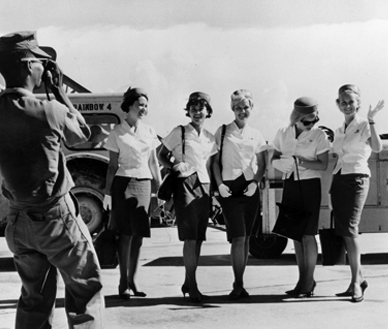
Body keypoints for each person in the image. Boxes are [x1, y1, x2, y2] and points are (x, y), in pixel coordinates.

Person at [0, 31, 121, 329]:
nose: (45, 67)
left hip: (18, 222)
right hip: (57, 220)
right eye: (40, 60)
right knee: (85, 291)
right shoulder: (51, 110)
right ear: (29, 66)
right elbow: (83, 134)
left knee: (34, 298)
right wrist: (59, 93)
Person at [157, 91, 217, 303]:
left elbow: (212, 165)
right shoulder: (179, 132)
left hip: (206, 187)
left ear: (208, 111)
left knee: (199, 238)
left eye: (201, 108)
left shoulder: (210, 138)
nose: (197, 112)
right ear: (188, 111)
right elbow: (160, 154)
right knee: (190, 238)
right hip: (185, 185)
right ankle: (193, 287)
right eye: (193, 108)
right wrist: (175, 165)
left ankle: (188, 281)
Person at [103, 87, 162, 299]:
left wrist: (160, 188)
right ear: (129, 106)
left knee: (139, 236)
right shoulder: (117, 132)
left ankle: (133, 280)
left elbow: (153, 162)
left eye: (146, 105)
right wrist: (107, 193)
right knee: (126, 235)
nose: (144, 109)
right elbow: (111, 165)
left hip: (144, 183)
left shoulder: (149, 131)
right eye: (140, 105)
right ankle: (122, 282)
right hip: (123, 183)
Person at [271, 97, 331, 297]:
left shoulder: (319, 135)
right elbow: (274, 157)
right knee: (295, 234)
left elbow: (323, 164)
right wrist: (279, 164)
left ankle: (308, 282)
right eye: (307, 121)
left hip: (309, 185)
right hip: (290, 183)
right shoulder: (283, 133)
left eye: (314, 120)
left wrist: (300, 162)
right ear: (296, 117)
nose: (311, 124)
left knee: (308, 234)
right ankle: (302, 280)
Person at [211, 89, 267, 299]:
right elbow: (215, 162)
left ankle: (240, 283)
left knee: (245, 239)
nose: (242, 111)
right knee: (237, 237)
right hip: (229, 188)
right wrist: (219, 186)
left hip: (249, 188)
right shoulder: (223, 131)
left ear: (251, 108)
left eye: (246, 107)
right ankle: (237, 284)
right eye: (238, 108)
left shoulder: (256, 134)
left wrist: (255, 182)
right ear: (232, 109)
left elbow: (262, 164)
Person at [331, 84, 384, 303]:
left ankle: (355, 283)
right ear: (337, 104)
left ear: (358, 103)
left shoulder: (363, 124)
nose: (347, 105)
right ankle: (358, 278)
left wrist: (372, 120)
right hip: (339, 178)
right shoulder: (339, 130)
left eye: (351, 101)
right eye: (342, 102)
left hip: (357, 178)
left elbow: (378, 148)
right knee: (344, 230)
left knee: (351, 230)